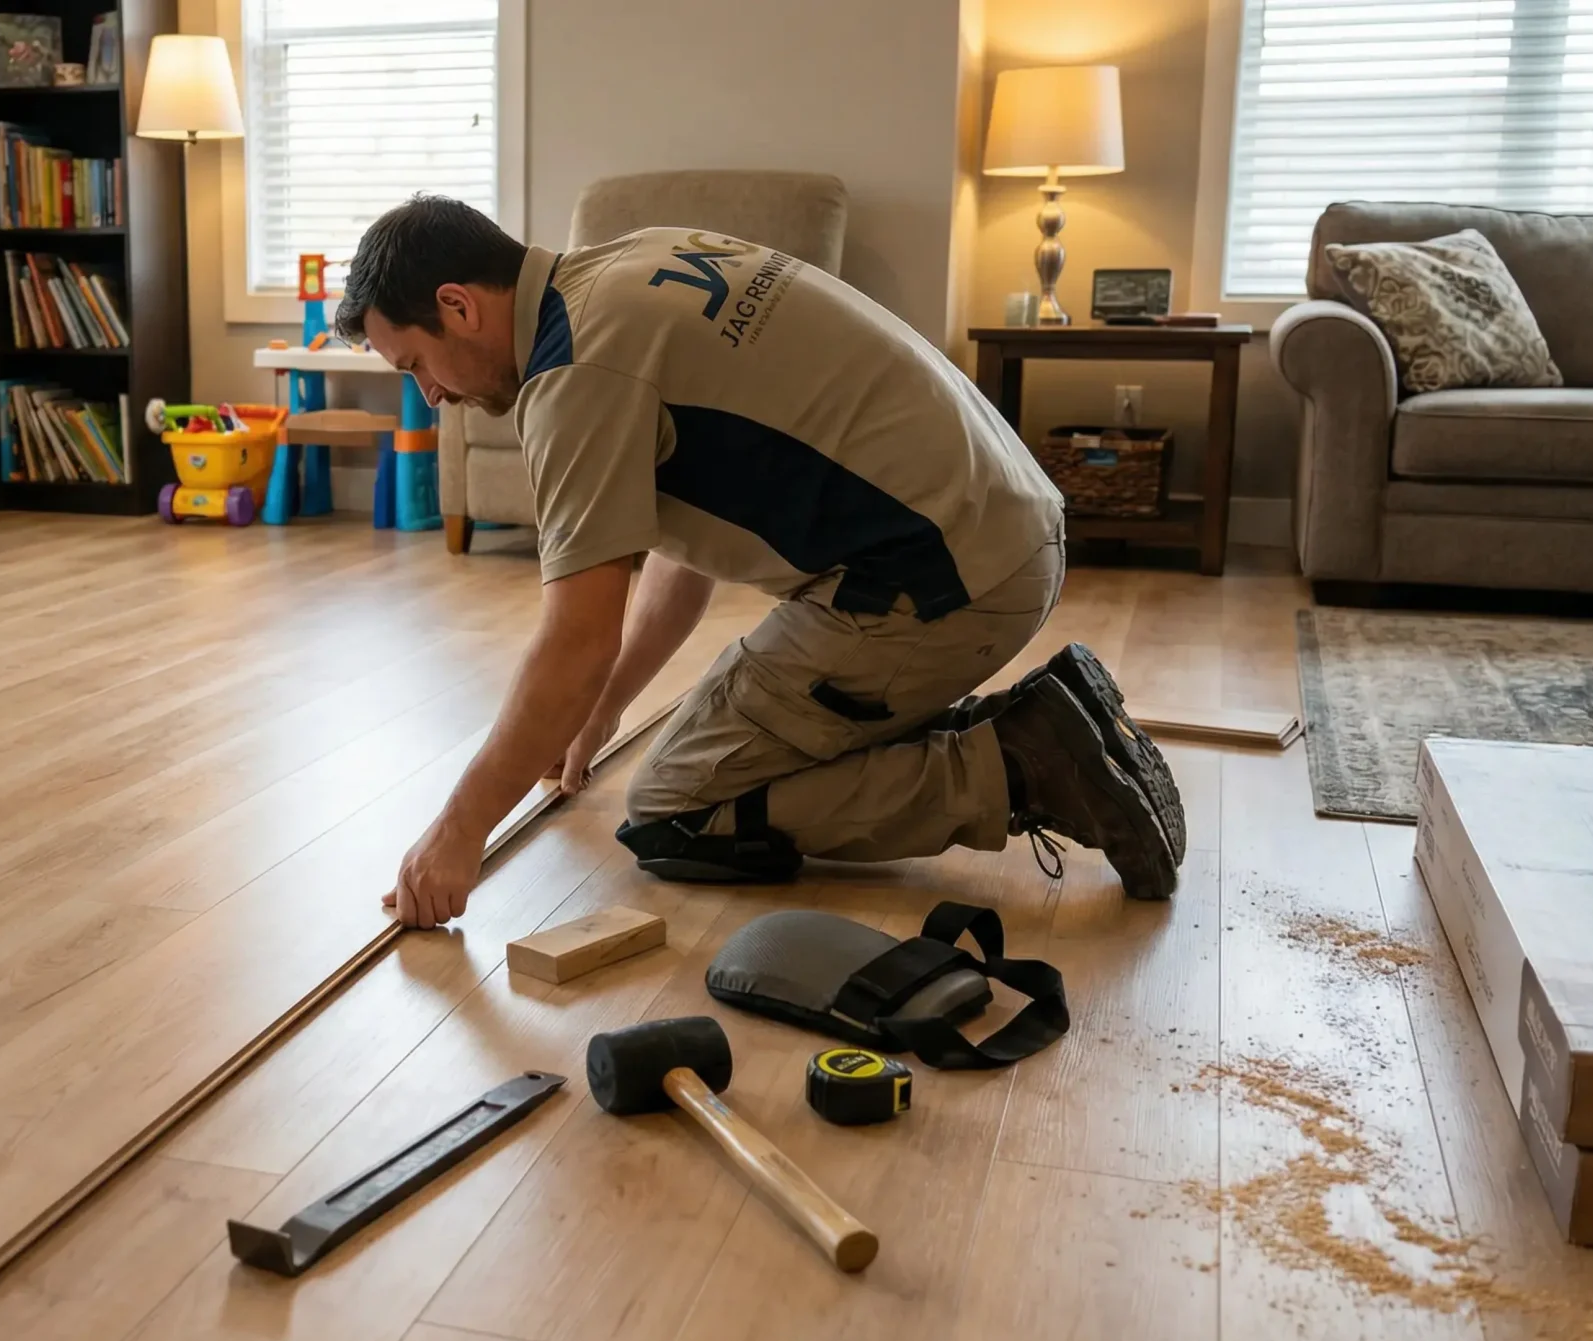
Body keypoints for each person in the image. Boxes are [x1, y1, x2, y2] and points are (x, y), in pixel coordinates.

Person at [334, 196, 1185, 931]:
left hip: (944, 579)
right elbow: (685, 545)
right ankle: (1051, 723)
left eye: (415, 364)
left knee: (677, 806)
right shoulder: (634, 258)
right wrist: (603, 711)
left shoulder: (577, 375)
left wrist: (459, 831)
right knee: (719, 747)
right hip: (1009, 525)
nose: (430, 394)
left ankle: (1020, 762)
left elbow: (574, 643)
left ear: (457, 304)